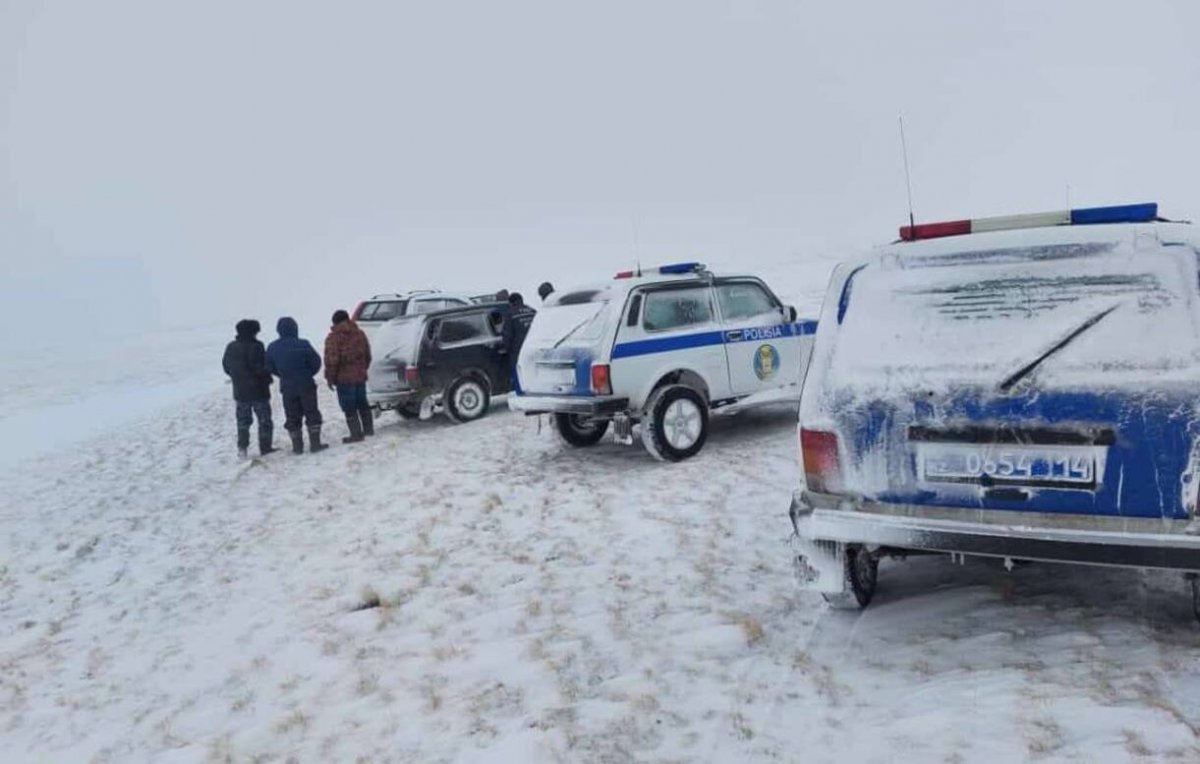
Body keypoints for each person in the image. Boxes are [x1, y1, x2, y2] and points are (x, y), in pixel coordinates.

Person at [266, 317, 328, 454]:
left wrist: (283, 374)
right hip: (306, 383)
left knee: (292, 415)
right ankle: (315, 444)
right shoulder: (303, 344)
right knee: (311, 412)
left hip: (287, 386)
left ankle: (297, 447)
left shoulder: (272, 347)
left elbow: (269, 366)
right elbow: (316, 362)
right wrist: (307, 373)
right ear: (295, 329)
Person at [221, 319, 275, 459]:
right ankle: (265, 447)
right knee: (264, 420)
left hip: (240, 391)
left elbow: (226, 367)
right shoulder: (257, 346)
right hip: (259, 391)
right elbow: (260, 368)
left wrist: (237, 377)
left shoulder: (231, 347)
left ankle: (242, 448)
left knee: (243, 422)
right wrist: (268, 378)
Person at [324, 309, 374, 443]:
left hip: (344, 379)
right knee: (363, 403)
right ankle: (369, 430)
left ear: (335, 322)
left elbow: (332, 361)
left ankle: (356, 434)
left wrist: (330, 378)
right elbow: (367, 355)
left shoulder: (333, 338)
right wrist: (363, 369)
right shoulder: (360, 334)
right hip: (360, 376)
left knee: (349, 406)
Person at [501, 292, 537, 392]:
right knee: (534, 373)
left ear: (511, 303)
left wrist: (505, 348)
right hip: (534, 348)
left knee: (519, 374)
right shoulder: (533, 311)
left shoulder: (510, 314)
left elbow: (508, 334)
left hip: (518, 350)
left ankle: (520, 394)